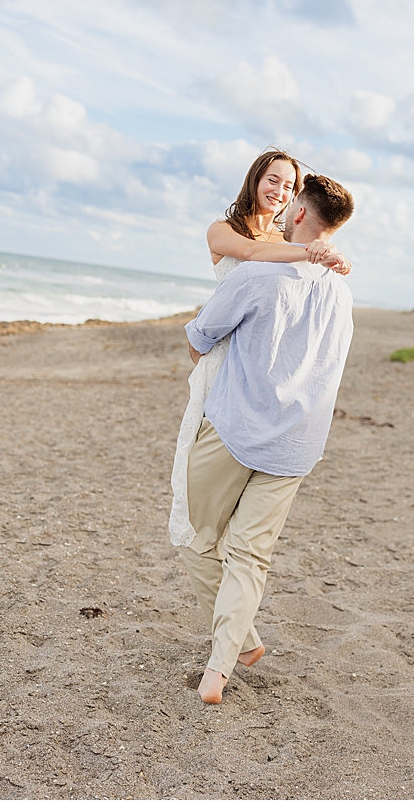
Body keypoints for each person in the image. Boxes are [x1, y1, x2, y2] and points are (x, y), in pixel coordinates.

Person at [179, 173, 356, 704]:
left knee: (197, 538)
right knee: (250, 555)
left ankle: (233, 647)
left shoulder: (257, 275)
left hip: (234, 429)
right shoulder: (341, 293)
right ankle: (225, 663)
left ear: (298, 214)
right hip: (295, 444)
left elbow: (199, 337)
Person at [167, 150, 350, 550]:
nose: (280, 191)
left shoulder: (289, 241)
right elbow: (251, 254)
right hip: (225, 350)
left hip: (264, 356)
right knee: (202, 465)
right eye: (273, 180)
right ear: (255, 179)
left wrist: (320, 250)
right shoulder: (223, 231)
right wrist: (315, 252)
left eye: (290, 186)